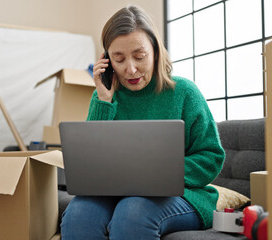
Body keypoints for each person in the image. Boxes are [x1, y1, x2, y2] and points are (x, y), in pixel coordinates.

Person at [60, 5, 225, 240]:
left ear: (156, 51)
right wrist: (104, 101)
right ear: (107, 60)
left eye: (139, 56)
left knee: (133, 212)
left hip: (185, 195)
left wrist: (162, 176)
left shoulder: (184, 92)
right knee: (79, 214)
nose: (131, 69)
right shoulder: (103, 96)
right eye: (119, 59)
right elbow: (91, 164)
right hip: (115, 194)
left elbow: (211, 156)